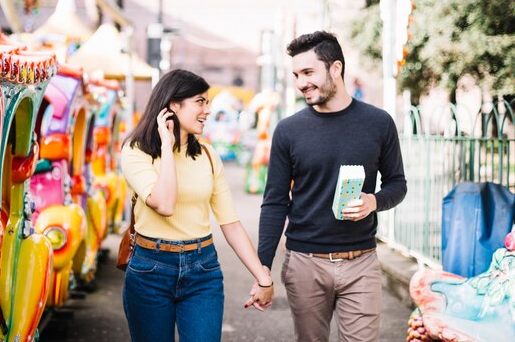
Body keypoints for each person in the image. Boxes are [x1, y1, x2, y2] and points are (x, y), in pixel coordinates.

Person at [256, 31, 407, 342]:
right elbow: (274, 203)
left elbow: (397, 184)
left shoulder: (379, 123)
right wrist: (263, 271)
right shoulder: (288, 131)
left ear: (335, 68)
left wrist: (373, 202)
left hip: (361, 263)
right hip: (304, 264)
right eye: (296, 74)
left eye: (308, 72)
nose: (301, 83)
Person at [121, 69, 273, 342]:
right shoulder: (136, 151)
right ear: (173, 105)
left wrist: (263, 277)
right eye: (200, 102)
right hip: (150, 271)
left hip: (202, 270)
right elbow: (164, 204)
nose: (208, 110)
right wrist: (167, 147)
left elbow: (231, 224)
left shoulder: (208, 155)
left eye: (208, 101)